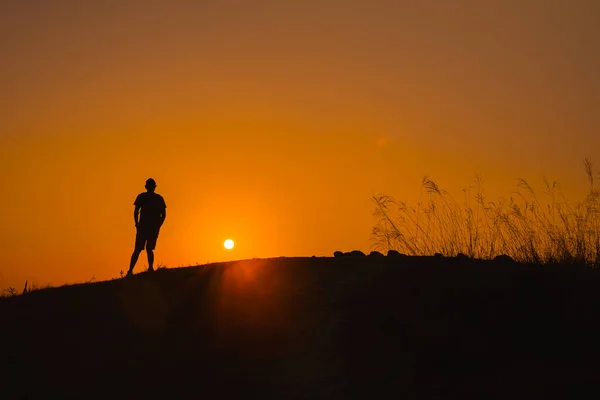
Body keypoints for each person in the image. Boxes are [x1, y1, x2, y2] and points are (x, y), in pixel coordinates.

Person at [127, 178, 166, 276]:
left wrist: (158, 225)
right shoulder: (144, 197)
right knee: (141, 249)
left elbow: (163, 214)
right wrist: (137, 224)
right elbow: (136, 211)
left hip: (149, 227)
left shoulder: (156, 198)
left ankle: (147, 268)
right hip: (145, 227)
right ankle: (132, 270)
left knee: (145, 249)